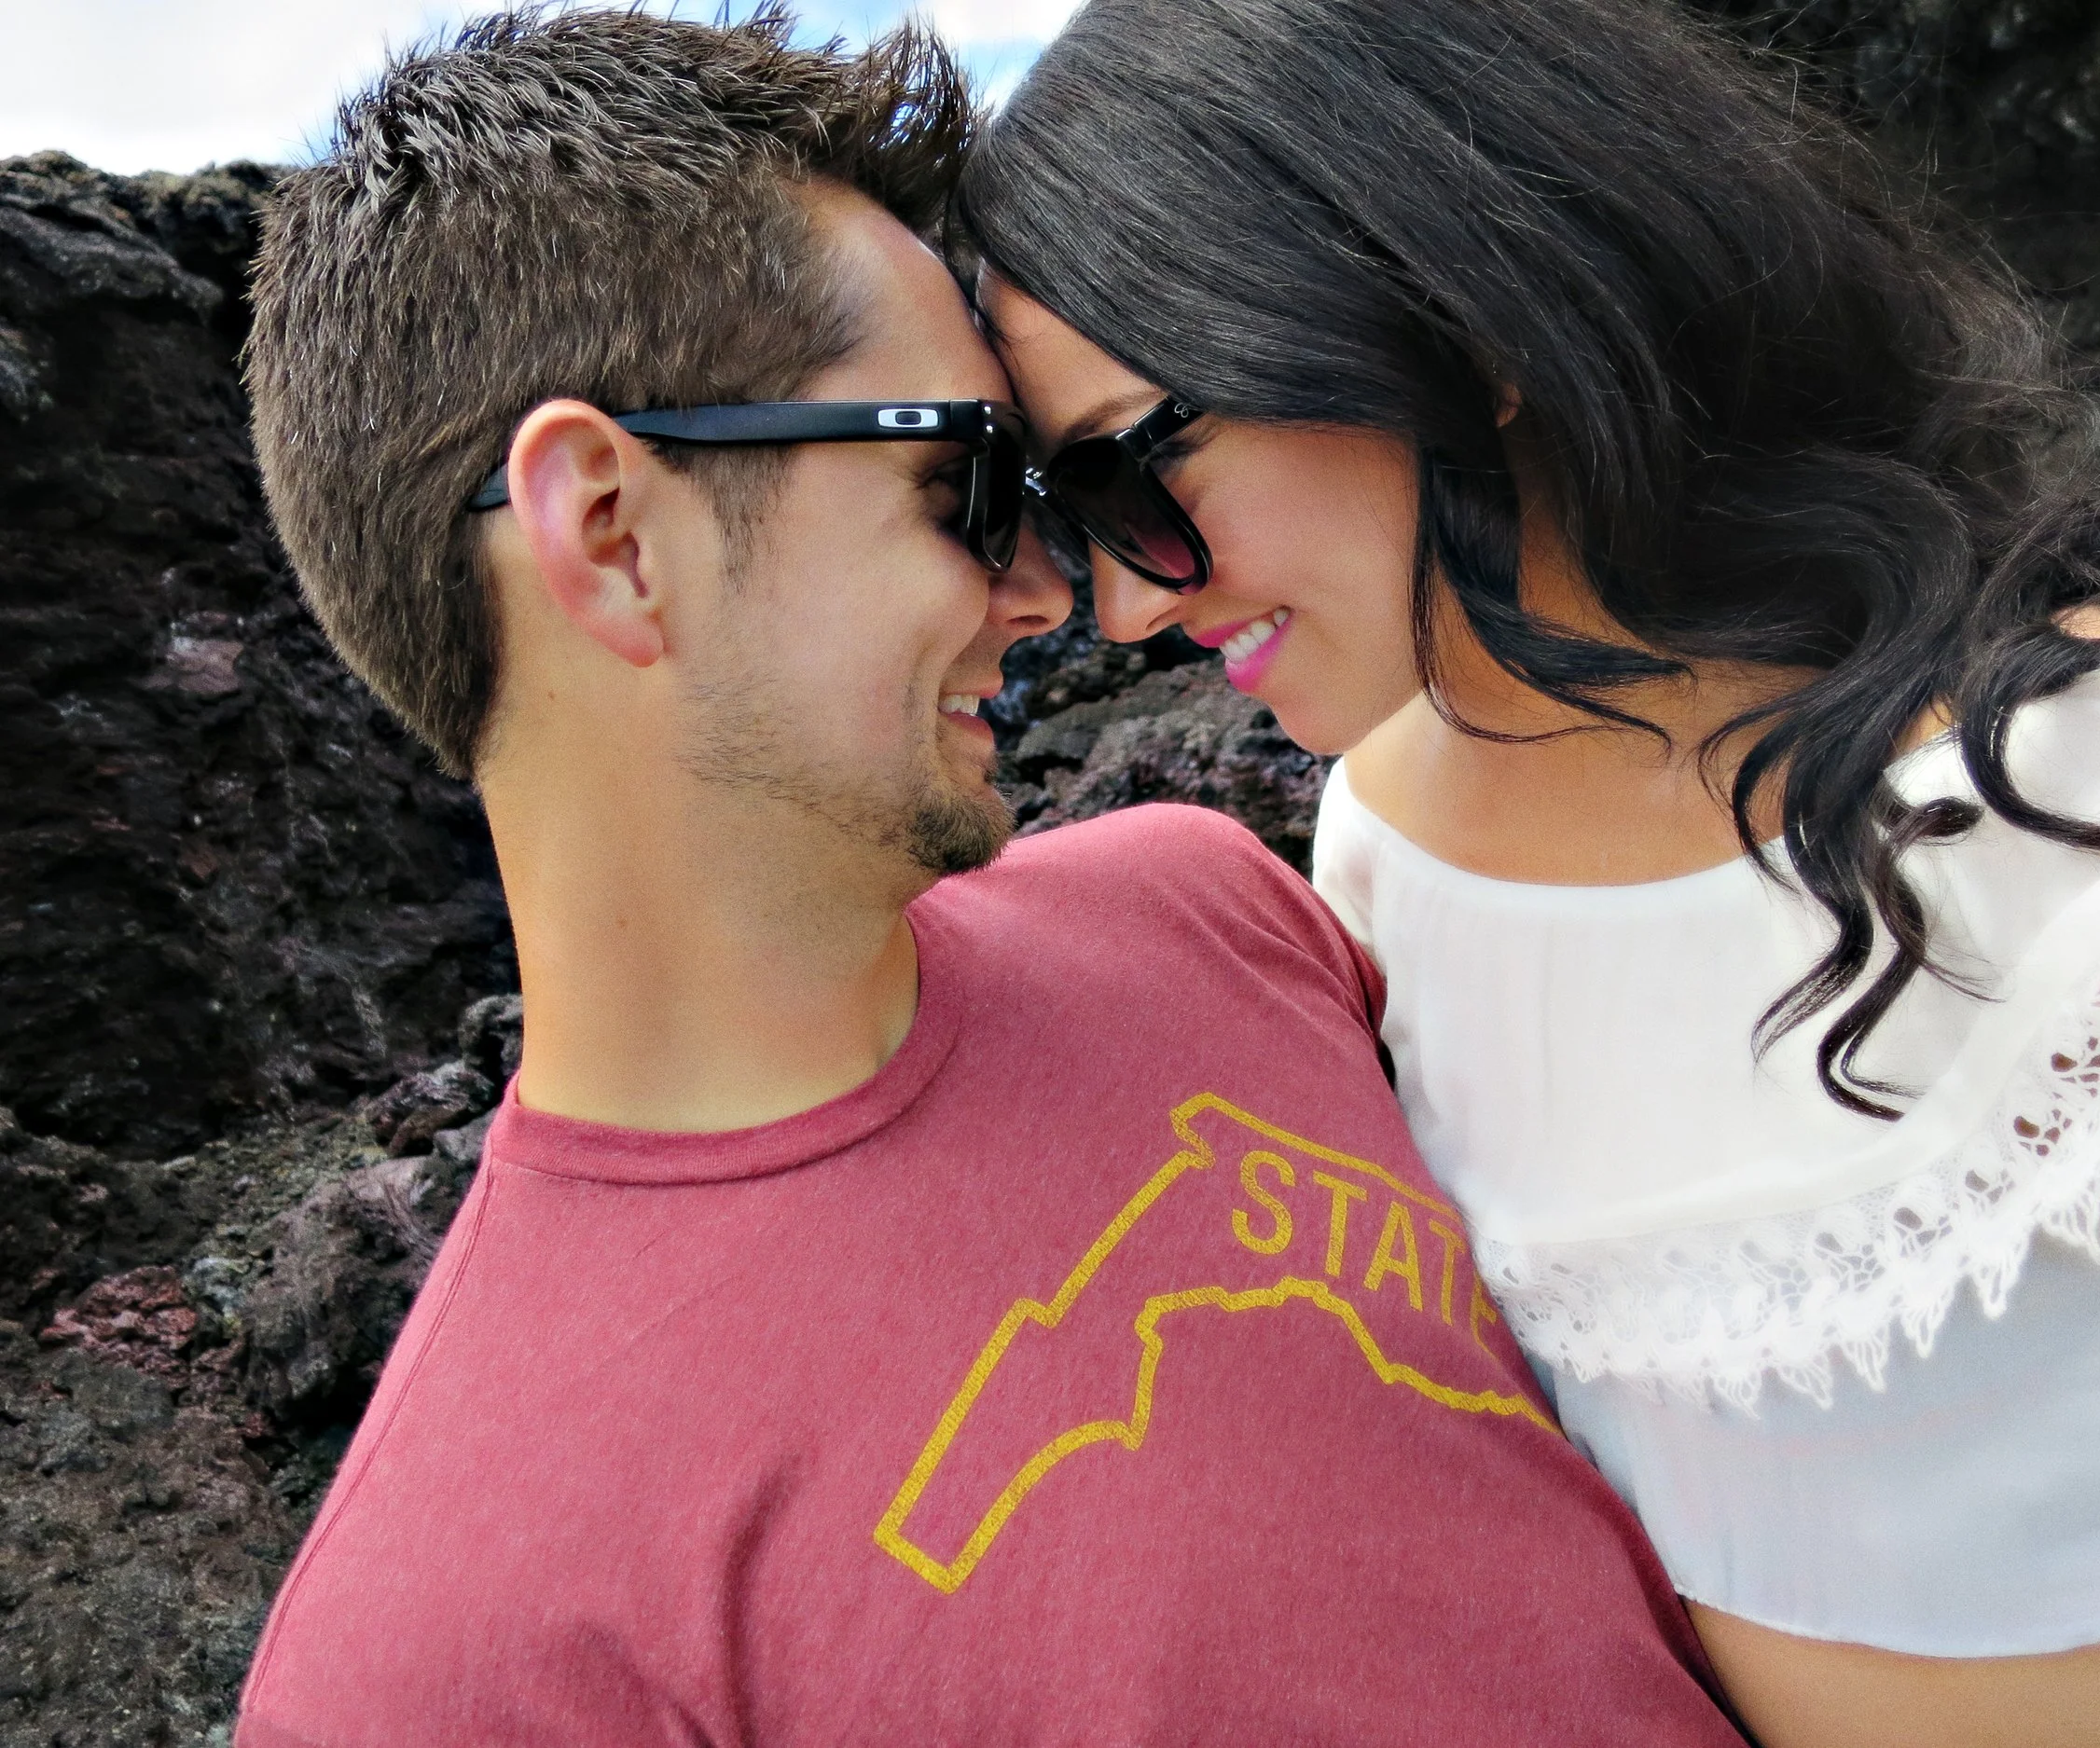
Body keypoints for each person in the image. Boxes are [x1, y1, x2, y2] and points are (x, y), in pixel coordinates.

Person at [229, 9, 1750, 1744]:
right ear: (610, 533)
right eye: (959, 486)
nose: (1062, 592)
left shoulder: (1219, 913)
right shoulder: (438, 1655)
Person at [956, 2, 2100, 1745]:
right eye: (1052, 517)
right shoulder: (1378, 823)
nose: (1126, 600)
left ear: (1460, 325)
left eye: (1133, 469)